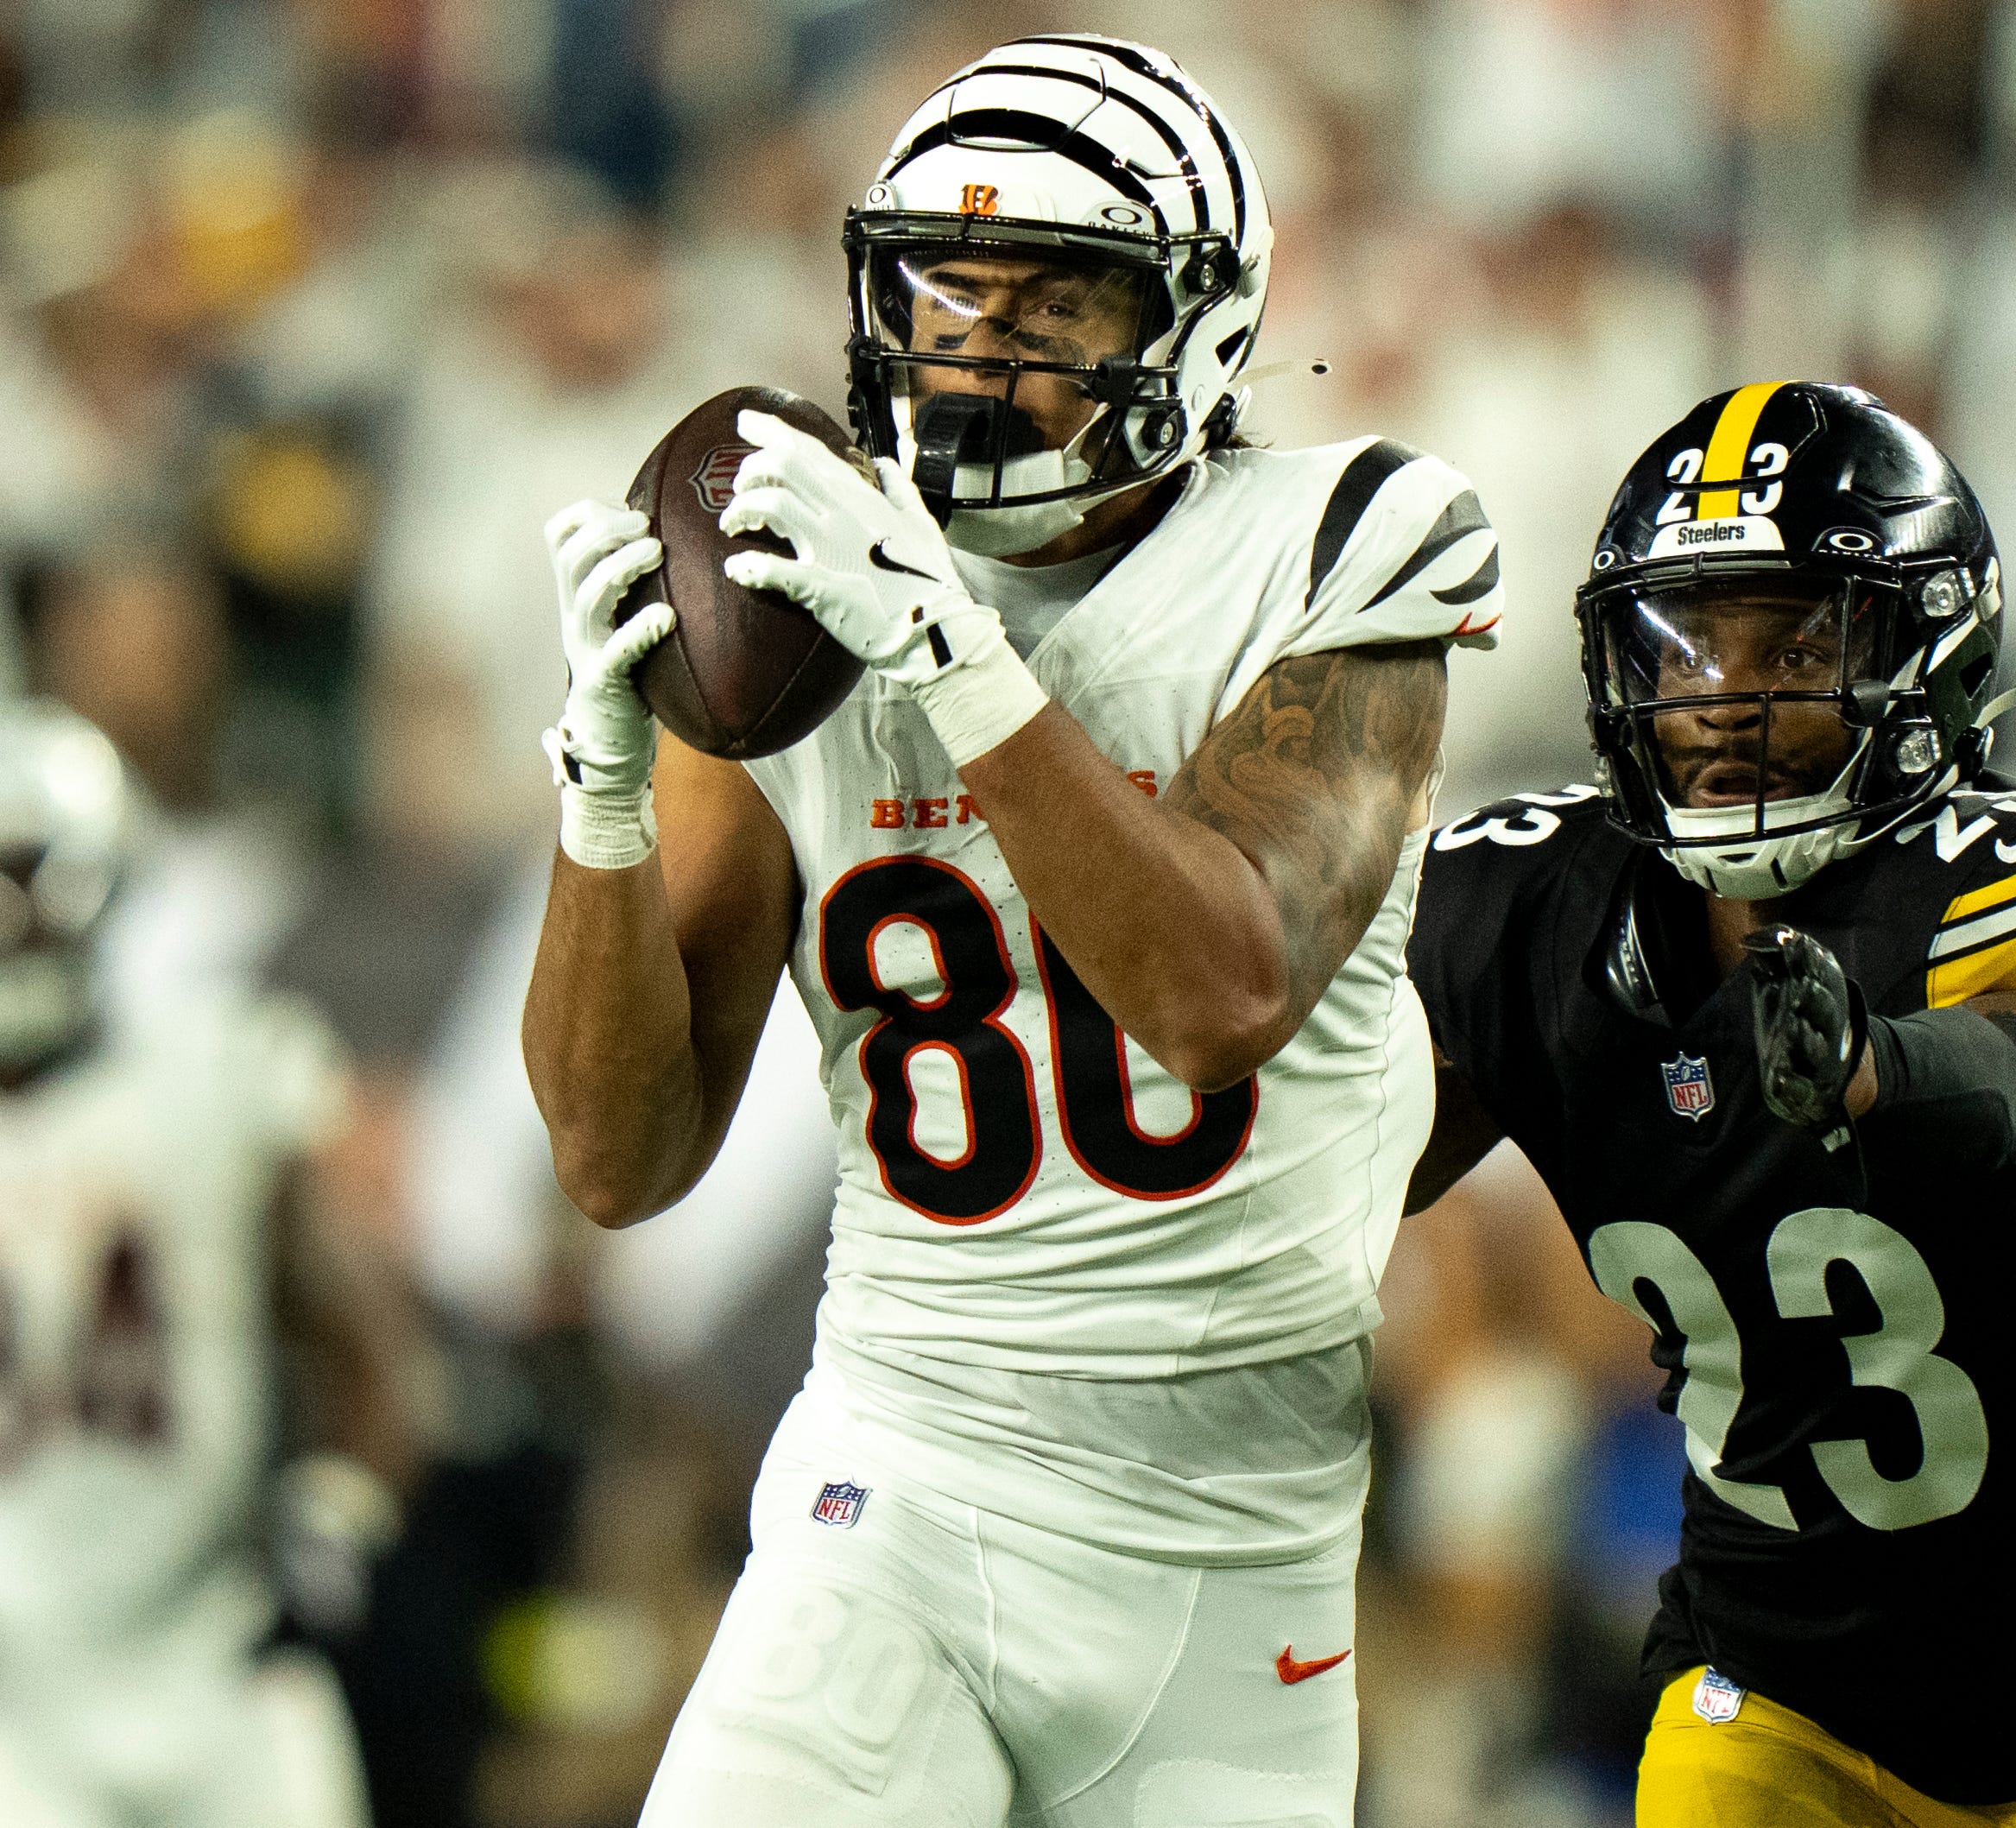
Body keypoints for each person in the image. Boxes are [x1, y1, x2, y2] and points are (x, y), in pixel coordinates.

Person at [521, 35, 1501, 1828]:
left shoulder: (1344, 543)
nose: (978, 355)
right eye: (942, 295)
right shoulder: (799, 593)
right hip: (903, 1470)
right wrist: (601, 793)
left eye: (1052, 306)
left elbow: (1220, 992)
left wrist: (956, 662)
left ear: (1194, 330)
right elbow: (616, 1158)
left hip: (1232, 1555)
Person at [1405, 382, 2016, 1825]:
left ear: (1927, 655)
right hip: (1778, 1696)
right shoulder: (1536, 911)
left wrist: (1878, 1064)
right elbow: (1347, 1157)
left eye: (1791, 639)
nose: (1723, 694)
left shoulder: (1989, 884)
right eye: (1688, 640)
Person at [0, 699, 400, 1828]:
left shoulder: (214, 1071)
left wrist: (334, 1522)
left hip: (216, 1660)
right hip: (16, 1697)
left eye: (26, 877)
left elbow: (368, 1340)